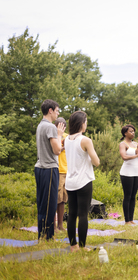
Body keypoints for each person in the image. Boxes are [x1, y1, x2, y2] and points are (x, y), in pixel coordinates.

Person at [65, 111, 100, 252]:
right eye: (86, 121)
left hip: (70, 181)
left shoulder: (67, 139)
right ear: (81, 123)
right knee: (83, 214)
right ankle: (82, 246)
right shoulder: (85, 140)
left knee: (72, 214)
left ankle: (73, 246)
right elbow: (96, 162)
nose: (86, 124)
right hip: (84, 181)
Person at [34, 99, 65, 240]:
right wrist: (59, 135)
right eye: (57, 111)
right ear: (50, 110)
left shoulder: (41, 125)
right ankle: (48, 236)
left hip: (40, 168)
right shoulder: (51, 127)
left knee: (42, 203)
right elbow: (57, 150)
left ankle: (42, 234)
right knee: (50, 204)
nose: (58, 114)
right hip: (49, 169)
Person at [119, 124, 138, 225]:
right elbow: (124, 157)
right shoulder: (123, 144)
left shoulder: (136, 144)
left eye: (133, 131)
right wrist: (136, 155)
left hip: (136, 173)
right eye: (130, 131)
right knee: (127, 196)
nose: (133, 133)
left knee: (133, 196)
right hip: (126, 173)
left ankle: (131, 219)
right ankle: (126, 220)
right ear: (125, 133)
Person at [54, 117, 68, 231]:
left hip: (67, 171)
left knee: (63, 199)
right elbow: (54, 150)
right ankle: (53, 226)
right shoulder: (53, 136)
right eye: (59, 125)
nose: (61, 127)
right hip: (57, 170)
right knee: (55, 198)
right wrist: (62, 148)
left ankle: (61, 225)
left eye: (63, 125)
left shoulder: (67, 137)